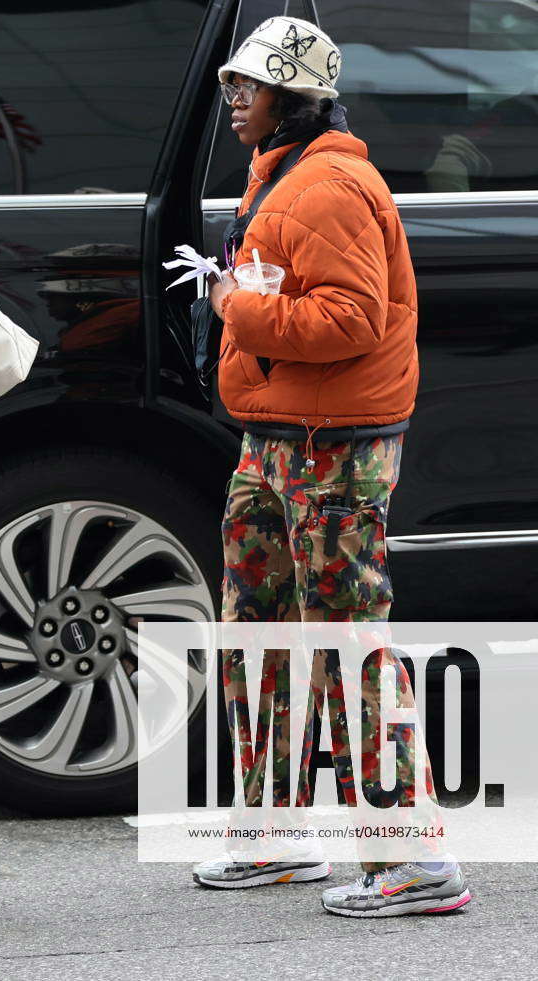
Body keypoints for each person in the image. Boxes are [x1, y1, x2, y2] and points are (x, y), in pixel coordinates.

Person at [190, 17, 471, 917]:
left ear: (293, 99)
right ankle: (275, 835)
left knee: (348, 644)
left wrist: (236, 306)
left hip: (332, 447)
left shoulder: (329, 186)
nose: (233, 102)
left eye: (248, 89)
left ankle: (415, 858)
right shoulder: (286, 176)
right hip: (281, 435)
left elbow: (352, 319)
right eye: (231, 87)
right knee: (258, 630)